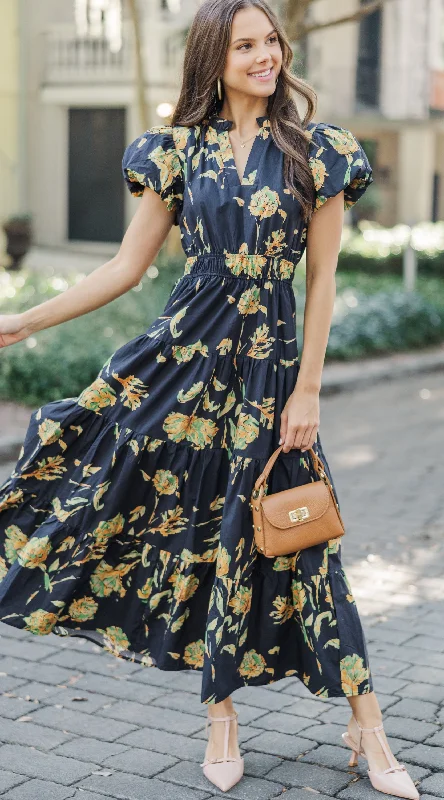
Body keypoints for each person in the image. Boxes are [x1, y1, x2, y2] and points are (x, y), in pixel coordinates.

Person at [0, 1, 418, 797]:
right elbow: (126, 269)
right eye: (244, 45)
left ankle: (368, 727)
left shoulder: (316, 151)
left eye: (269, 41)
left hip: (271, 381)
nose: (264, 56)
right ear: (212, 58)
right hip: (181, 368)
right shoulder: (175, 153)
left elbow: (323, 279)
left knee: (303, 539)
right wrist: (24, 319)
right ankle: (219, 719)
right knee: (193, 532)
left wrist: (308, 391)